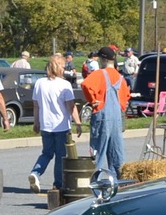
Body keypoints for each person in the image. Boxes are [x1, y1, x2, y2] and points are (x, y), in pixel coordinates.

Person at [27, 53, 81, 192]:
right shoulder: (64, 84)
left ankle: (35, 173)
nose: (64, 69)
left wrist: (36, 122)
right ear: (58, 68)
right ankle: (58, 183)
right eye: (62, 67)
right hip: (61, 126)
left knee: (46, 153)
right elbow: (71, 106)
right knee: (60, 156)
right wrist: (78, 122)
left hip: (46, 125)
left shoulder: (39, 83)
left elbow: (36, 105)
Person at [79, 45, 132, 172]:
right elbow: (126, 96)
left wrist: (92, 101)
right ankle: (117, 184)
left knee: (98, 153)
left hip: (102, 117)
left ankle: (94, 184)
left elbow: (85, 84)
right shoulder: (120, 78)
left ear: (102, 60)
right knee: (116, 153)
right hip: (117, 118)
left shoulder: (99, 74)